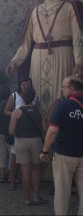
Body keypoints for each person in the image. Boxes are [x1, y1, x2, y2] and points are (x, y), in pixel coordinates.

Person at [5, 0, 83, 115]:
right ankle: (40, 133)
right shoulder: (33, 10)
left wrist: (80, 62)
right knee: (38, 100)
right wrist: (15, 61)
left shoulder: (70, 6)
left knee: (60, 99)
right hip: (38, 59)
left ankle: (59, 134)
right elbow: (26, 44)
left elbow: (79, 38)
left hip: (63, 56)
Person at [40, 76, 83, 215]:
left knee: (62, 193)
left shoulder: (63, 106)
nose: (61, 89)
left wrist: (45, 151)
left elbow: (52, 131)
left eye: (63, 86)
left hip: (64, 155)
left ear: (71, 89)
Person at [9, 87, 47, 206]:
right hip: (36, 141)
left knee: (25, 170)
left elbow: (11, 131)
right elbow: (45, 129)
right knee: (36, 169)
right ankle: (36, 196)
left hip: (21, 141)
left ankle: (26, 198)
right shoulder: (38, 110)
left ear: (22, 97)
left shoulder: (17, 112)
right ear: (33, 97)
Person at [4, 76, 39, 191]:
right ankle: (12, 179)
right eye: (23, 83)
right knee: (14, 156)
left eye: (28, 83)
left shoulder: (35, 98)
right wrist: (17, 115)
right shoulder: (14, 96)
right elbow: (6, 111)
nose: (25, 85)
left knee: (30, 159)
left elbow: (37, 112)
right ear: (20, 85)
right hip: (18, 130)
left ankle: (29, 183)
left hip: (31, 132)